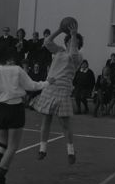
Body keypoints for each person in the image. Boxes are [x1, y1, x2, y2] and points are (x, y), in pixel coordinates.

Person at [0, 48, 52, 184]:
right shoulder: (17, 70)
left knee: (3, 142)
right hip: (15, 109)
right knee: (13, 146)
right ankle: (0, 176)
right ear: (9, 58)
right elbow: (32, 86)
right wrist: (48, 82)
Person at [34, 22, 83, 164]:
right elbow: (47, 42)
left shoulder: (78, 56)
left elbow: (73, 53)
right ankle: (42, 149)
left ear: (78, 44)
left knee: (65, 124)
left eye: (75, 42)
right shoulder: (59, 51)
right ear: (65, 42)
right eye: (68, 41)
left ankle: (71, 152)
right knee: (46, 120)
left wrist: (74, 35)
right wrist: (60, 30)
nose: (71, 43)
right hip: (51, 87)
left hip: (63, 89)